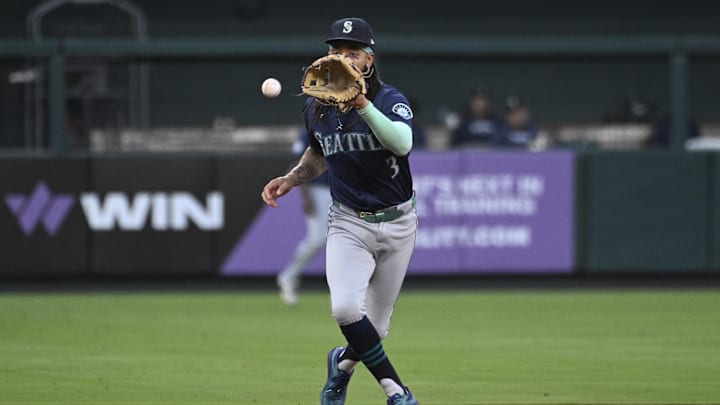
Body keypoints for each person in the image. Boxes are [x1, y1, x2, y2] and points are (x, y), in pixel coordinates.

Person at [261, 17, 420, 405]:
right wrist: (294, 177)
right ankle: (396, 391)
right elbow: (319, 153)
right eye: (337, 52)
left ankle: (341, 367)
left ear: (368, 60)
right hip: (349, 221)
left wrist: (363, 104)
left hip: (398, 223)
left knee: (374, 331)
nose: (343, 59)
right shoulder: (318, 109)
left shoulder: (388, 99)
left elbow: (401, 144)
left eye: (352, 53)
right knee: (347, 309)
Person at [276, 127, 332, 306]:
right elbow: (298, 163)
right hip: (317, 189)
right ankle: (288, 277)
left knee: (350, 239)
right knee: (317, 239)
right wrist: (305, 196)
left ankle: (348, 289)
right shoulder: (312, 126)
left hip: (341, 189)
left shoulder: (346, 122)